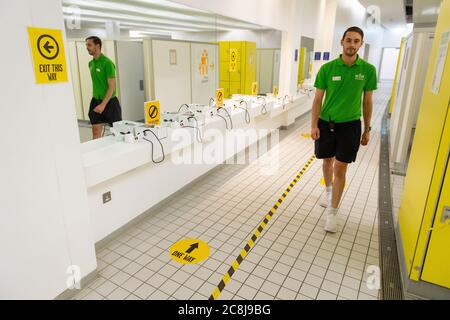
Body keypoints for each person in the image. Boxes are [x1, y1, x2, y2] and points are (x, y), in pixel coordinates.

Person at [311, 26, 377, 233]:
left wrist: (367, 129)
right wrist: (313, 125)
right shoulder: (327, 69)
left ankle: (332, 213)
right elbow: (317, 99)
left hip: (350, 125)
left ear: (360, 44)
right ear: (342, 42)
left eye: (356, 41)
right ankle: (328, 191)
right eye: (348, 40)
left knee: (341, 167)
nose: (352, 44)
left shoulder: (367, 70)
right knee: (327, 161)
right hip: (326, 122)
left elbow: (367, 102)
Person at [85, 36, 122, 139]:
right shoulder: (91, 63)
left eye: (89, 45)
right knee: (96, 132)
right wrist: (99, 104)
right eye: (86, 45)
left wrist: (103, 105)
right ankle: (97, 153)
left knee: (118, 132)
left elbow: (112, 87)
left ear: (97, 46)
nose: (87, 47)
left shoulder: (107, 63)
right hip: (96, 101)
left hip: (110, 102)